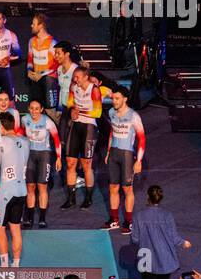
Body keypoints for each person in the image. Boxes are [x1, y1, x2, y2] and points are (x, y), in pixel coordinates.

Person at [130, 185, 192, 279]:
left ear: (148, 197)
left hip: (145, 257)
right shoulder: (167, 215)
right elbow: (174, 237)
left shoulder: (139, 216)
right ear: (160, 198)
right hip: (164, 258)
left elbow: (135, 239)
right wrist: (183, 243)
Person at [101, 87, 145, 234]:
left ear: (125, 99)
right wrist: (108, 152)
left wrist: (138, 160)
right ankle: (114, 220)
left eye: (117, 98)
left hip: (127, 154)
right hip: (114, 153)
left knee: (127, 189)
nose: (114, 101)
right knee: (113, 187)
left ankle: (128, 221)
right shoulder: (111, 112)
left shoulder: (134, 116)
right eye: (113, 98)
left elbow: (142, 139)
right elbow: (112, 132)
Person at [0, 113, 29, 268]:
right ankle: (16, 265)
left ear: (0, 126)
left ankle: (4, 266)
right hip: (21, 191)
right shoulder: (25, 141)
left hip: (6, 192)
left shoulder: (0, 142)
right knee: (15, 227)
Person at [62, 66, 101, 210]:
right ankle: (71, 199)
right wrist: (72, 110)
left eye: (77, 77)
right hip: (76, 126)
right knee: (71, 163)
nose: (75, 79)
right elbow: (70, 104)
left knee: (86, 164)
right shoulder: (74, 87)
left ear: (86, 77)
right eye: (74, 77)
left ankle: (88, 198)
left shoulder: (94, 89)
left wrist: (79, 111)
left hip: (89, 127)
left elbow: (97, 112)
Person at [21, 96, 61, 227]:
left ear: (42, 109)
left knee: (42, 186)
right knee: (30, 187)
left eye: (37, 109)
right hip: (29, 154)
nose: (34, 111)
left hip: (44, 154)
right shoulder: (24, 119)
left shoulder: (47, 121)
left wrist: (59, 158)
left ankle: (42, 218)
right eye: (31, 108)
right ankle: (30, 217)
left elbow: (56, 140)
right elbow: (21, 137)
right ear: (28, 109)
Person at [26, 12, 59, 108]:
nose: (31, 25)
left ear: (41, 26)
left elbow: (56, 64)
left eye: (34, 23)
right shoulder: (31, 41)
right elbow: (30, 59)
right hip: (35, 78)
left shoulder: (52, 42)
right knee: (35, 107)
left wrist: (42, 74)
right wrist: (29, 71)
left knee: (50, 108)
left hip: (49, 78)